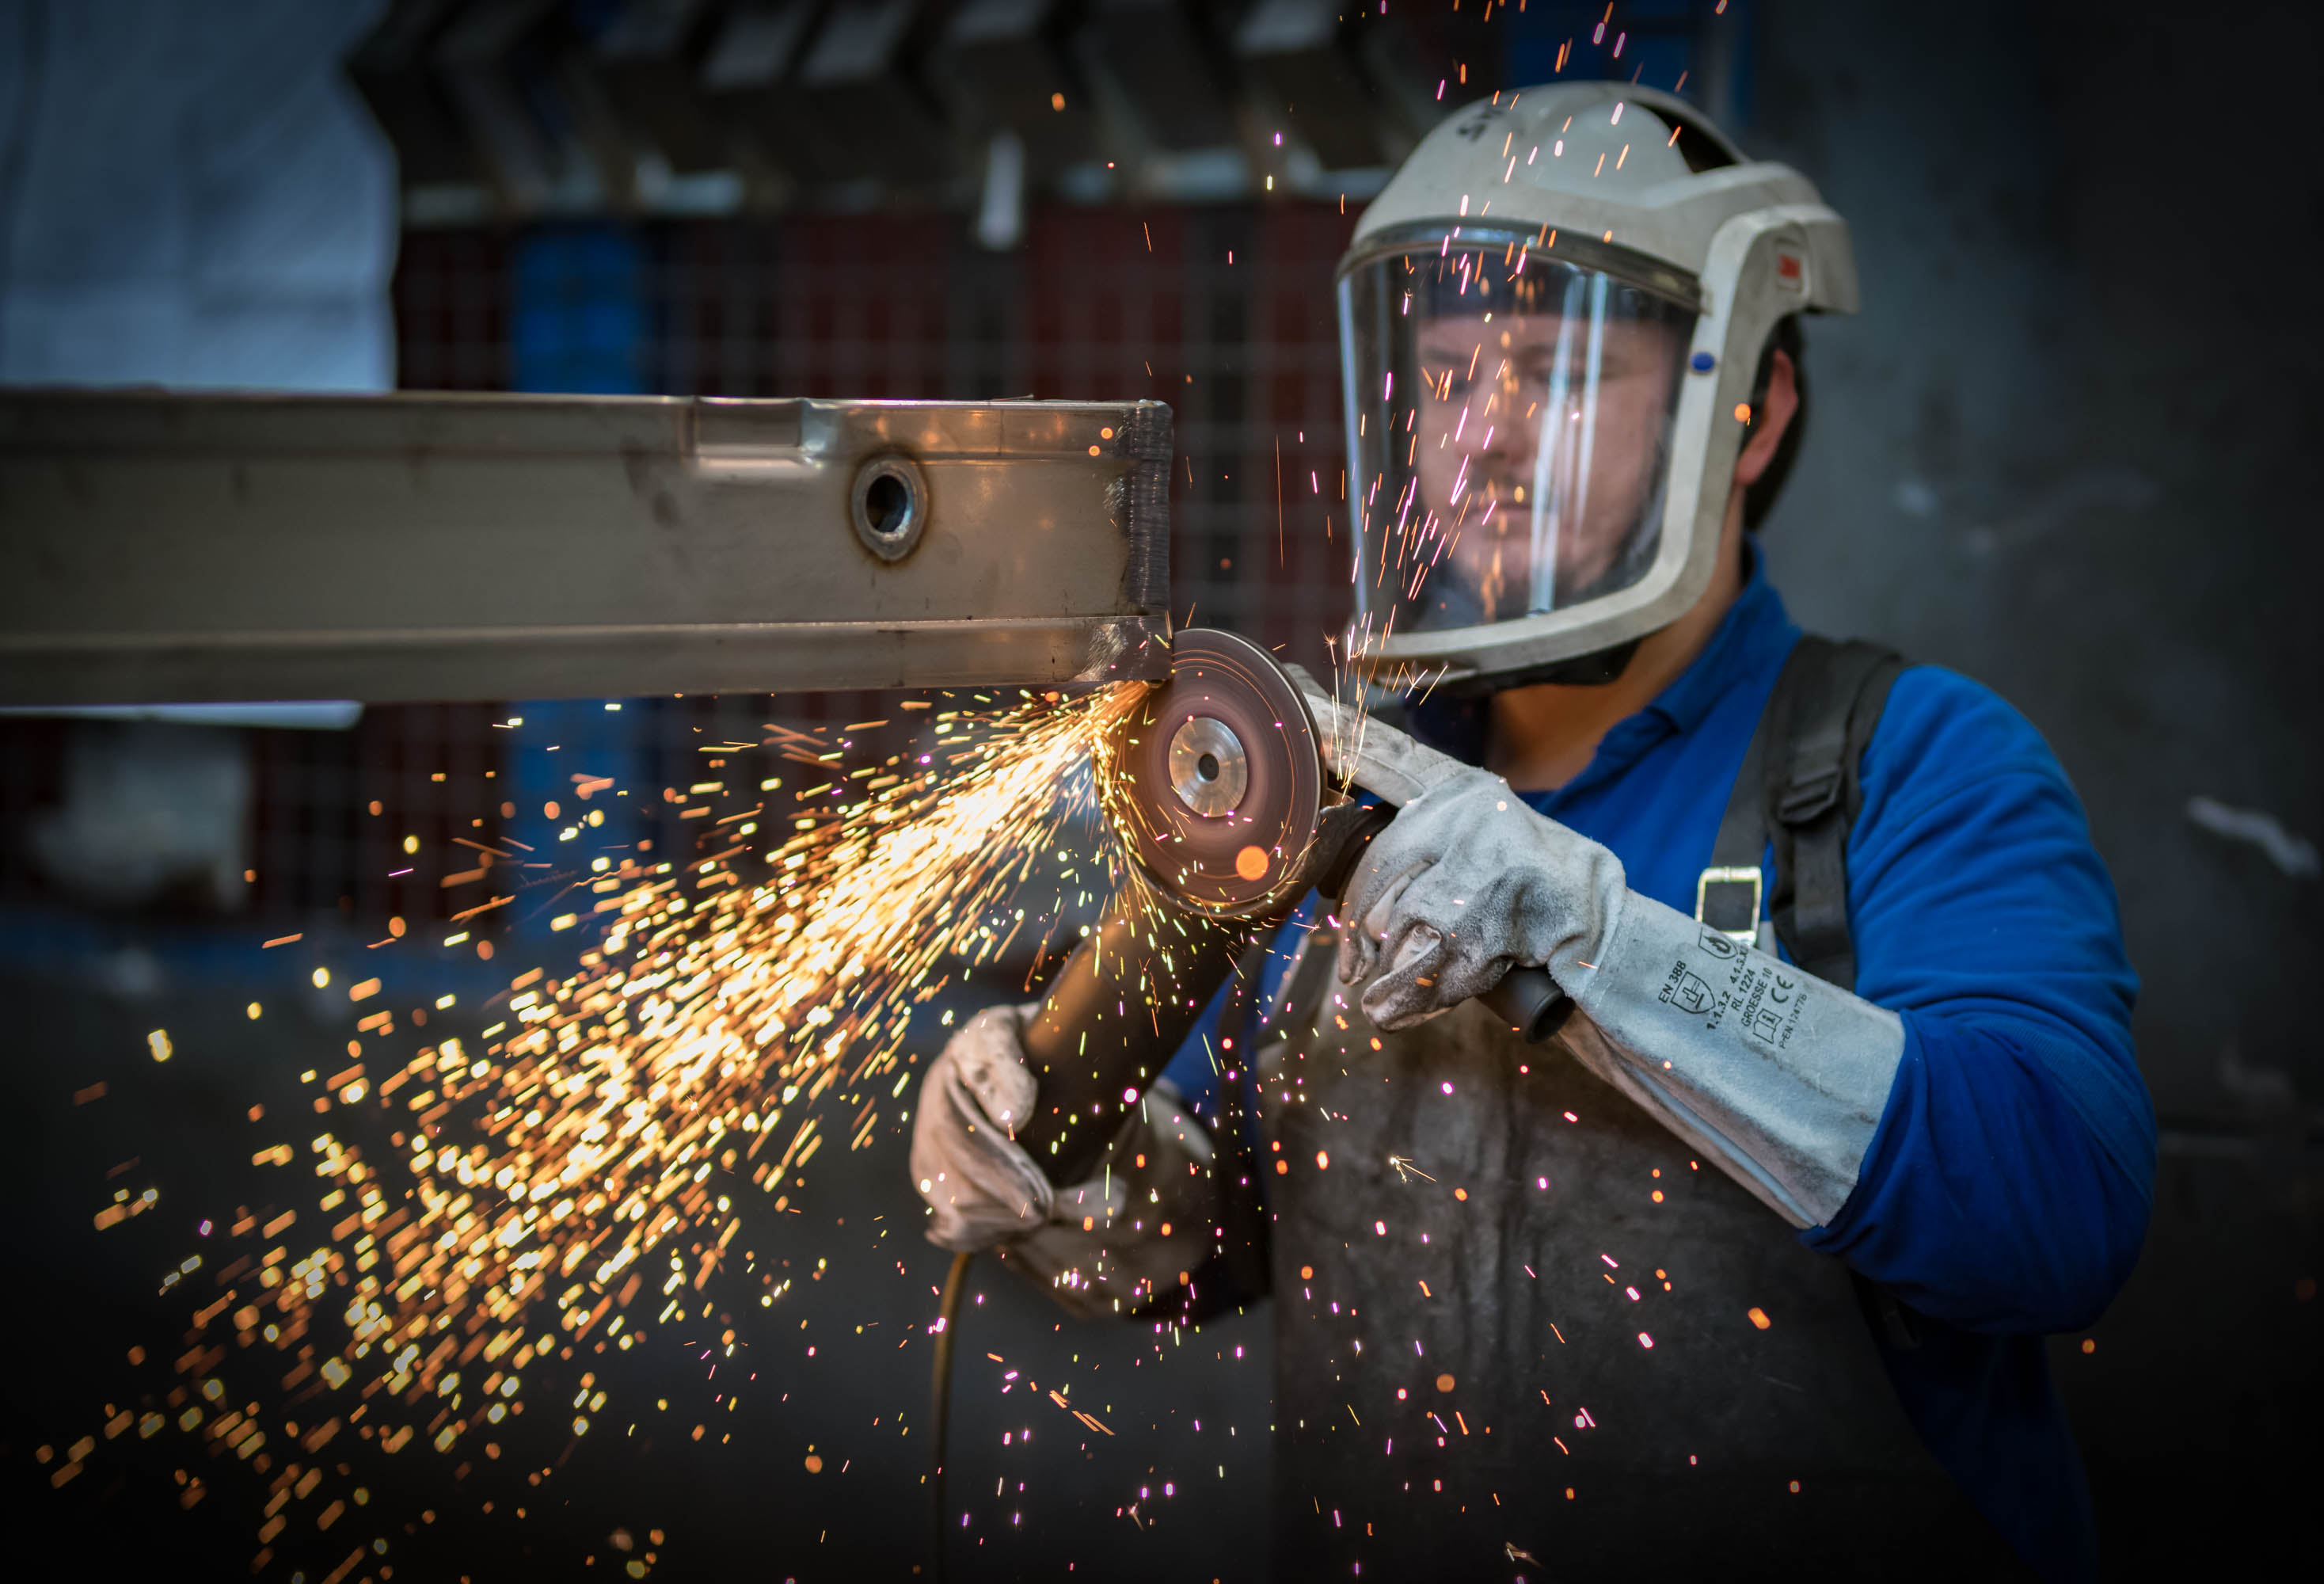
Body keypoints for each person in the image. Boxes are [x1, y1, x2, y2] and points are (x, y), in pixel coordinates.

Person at [912, 83, 2151, 1582]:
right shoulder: (1348, 785)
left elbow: (2058, 1213)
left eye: (1558, 379)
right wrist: (1048, 1148)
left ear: (1747, 418)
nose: (1483, 444)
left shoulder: (1912, 765)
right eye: (1446, 378)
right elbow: (1207, 1234)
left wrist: (1595, 943)